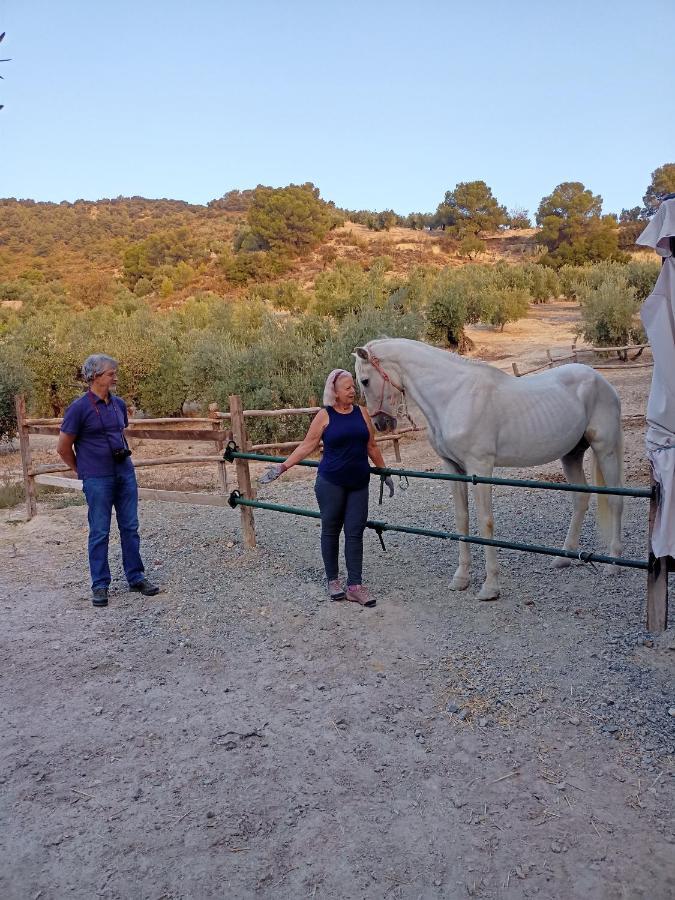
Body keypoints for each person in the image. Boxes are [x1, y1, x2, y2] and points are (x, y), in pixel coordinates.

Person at [258, 368, 394, 607]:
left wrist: (384, 472)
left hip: (359, 483)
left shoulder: (361, 413)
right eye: (347, 388)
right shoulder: (325, 415)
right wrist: (282, 468)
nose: (353, 391)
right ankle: (333, 580)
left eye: (353, 386)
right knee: (331, 530)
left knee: (355, 533)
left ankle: (355, 586)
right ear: (335, 391)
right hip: (331, 483)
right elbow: (306, 445)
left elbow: (371, 446)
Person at [57, 354, 159, 607]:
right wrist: (83, 471)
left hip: (124, 472)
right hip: (97, 477)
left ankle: (136, 577)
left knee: (130, 528)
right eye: (111, 373)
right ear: (95, 376)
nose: (115, 376)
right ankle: (100, 585)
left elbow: (119, 432)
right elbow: (63, 448)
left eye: (115, 372)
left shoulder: (119, 404)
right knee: (100, 531)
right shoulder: (79, 408)